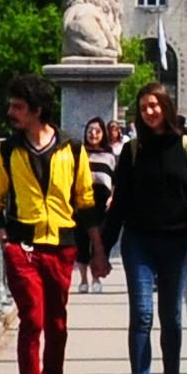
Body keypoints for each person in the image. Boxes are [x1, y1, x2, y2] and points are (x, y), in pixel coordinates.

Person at [0, 74, 104, 374]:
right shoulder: (7, 150)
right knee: (32, 320)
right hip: (22, 248)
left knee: (56, 324)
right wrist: (6, 242)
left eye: (18, 107)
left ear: (38, 111)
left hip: (61, 248)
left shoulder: (71, 148)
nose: (11, 113)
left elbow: (85, 202)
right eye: (11, 106)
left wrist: (98, 250)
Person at [103, 83, 187, 374]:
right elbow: (119, 204)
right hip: (139, 242)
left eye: (155, 105)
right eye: (144, 106)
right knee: (142, 315)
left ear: (166, 106)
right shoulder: (132, 151)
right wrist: (101, 251)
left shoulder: (186, 147)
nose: (150, 111)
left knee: (171, 315)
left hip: (178, 242)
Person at [82, 117, 120, 281]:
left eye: (97, 131)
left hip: (102, 202)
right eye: (90, 130)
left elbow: (114, 179)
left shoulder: (109, 155)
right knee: (82, 238)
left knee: (100, 239)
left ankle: (95, 277)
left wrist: (112, 197)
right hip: (83, 201)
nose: (93, 134)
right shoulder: (80, 153)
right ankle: (83, 278)